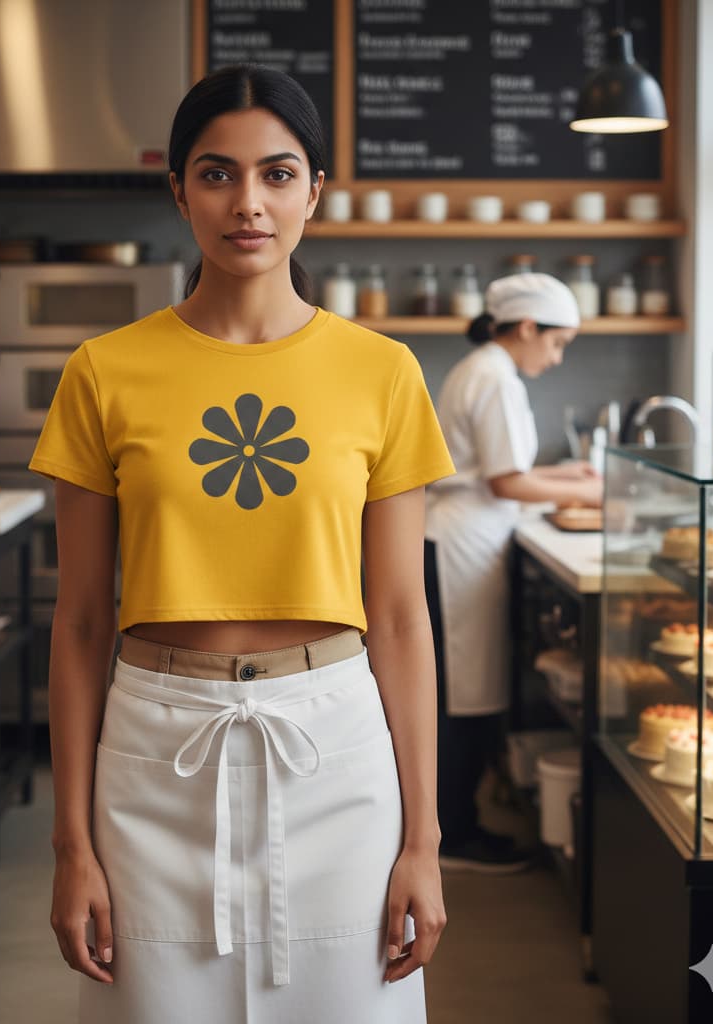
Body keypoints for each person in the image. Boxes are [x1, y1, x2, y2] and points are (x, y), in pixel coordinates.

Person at [30, 65, 454, 1023]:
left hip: (336, 752)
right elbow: (84, 619)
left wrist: (422, 841)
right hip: (153, 751)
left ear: (315, 192)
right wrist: (70, 847)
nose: (248, 203)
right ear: (179, 190)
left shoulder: (383, 373)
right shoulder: (104, 373)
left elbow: (398, 616)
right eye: (217, 175)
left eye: (277, 173)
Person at [423, 273, 603, 873]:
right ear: (527, 328)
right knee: (460, 696)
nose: (556, 358)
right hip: (458, 546)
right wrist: (597, 492)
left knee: (465, 690)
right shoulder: (494, 379)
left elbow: (505, 473)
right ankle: (454, 835)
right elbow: (506, 481)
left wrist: (569, 480)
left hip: (467, 536)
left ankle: (454, 823)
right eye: (557, 343)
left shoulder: (486, 370)